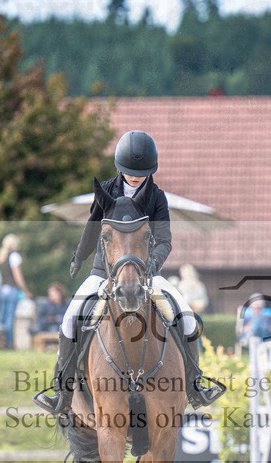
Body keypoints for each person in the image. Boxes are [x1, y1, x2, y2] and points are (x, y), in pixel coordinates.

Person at [39, 130, 217, 415]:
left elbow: (165, 240)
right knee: (69, 319)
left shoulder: (156, 197)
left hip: (146, 272)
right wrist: (78, 257)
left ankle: (195, 385)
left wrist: (151, 266)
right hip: (103, 272)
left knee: (187, 318)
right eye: (129, 172)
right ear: (120, 168)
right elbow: (92, 226)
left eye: (141, 173)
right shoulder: (107, 190)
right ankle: (61, 390)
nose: (135, 177)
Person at [0, 234, 32, 349]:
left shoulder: (1, 256)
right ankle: (9, 343)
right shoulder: (14, 256)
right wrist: (25, 290)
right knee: (10, 317)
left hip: (3, 290)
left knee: (2, 316)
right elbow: (18, 276)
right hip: (12, 290)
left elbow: (1, 277)